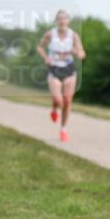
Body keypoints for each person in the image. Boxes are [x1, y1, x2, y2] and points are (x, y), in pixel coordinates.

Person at [36, 10, 86, 142]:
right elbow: (40, 47)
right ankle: (54, 108)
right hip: (54, 69)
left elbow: (82, 54)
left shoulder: (73, 36)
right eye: (59, 18)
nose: (62, 21)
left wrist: (77, 52)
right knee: (59, 100)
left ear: (68, 21)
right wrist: (46, 57)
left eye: (64, 18)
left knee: (68, 100)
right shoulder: (50, 34)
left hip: (69, 70)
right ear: (56, 21)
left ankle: (63, 129)